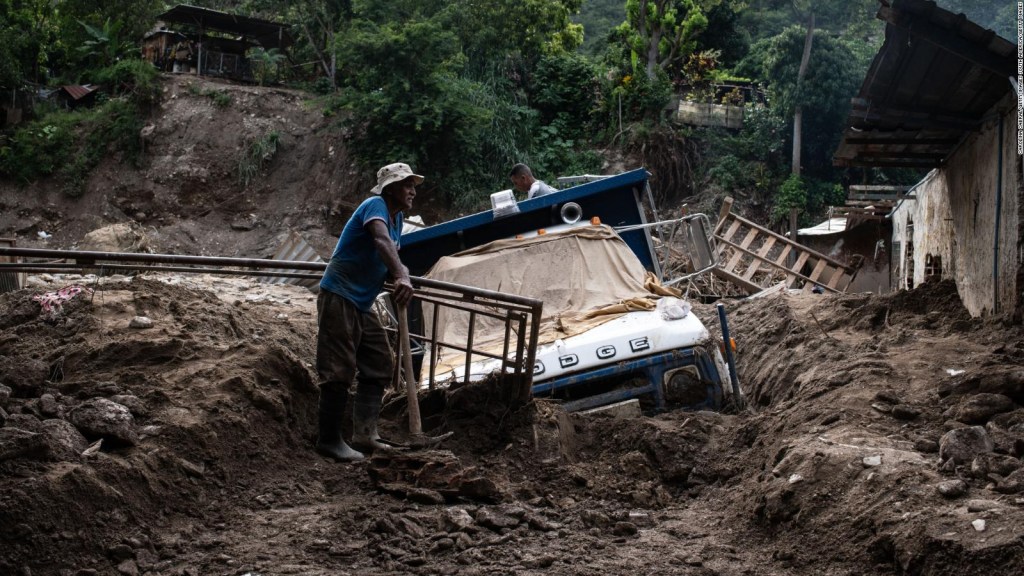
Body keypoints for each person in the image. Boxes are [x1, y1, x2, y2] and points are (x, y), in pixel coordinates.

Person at [315, 162, 421, 462]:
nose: (413, 190)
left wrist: (402, 272)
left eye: (413, 184)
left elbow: (389, 254)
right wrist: (401, 275)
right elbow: (379, 240)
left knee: (378, 363)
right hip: (340, 294)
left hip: (362, 302)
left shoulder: (397, 218)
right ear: (390, 189)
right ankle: (329, 440)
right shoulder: (374, 205)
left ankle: (364, 433)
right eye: (406, 184)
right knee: (338, 370)